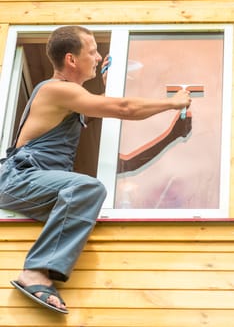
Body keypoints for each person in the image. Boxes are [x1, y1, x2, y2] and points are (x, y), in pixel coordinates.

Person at [0, 25, 191, 314]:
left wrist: (171, 137)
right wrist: (172, 103)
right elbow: (124, 108)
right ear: (71, 60)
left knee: (83, 193)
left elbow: (126, 158)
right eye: (93, 51)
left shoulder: (70, 104)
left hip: (29, 183)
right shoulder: (56, 90)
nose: (99, 57)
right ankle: (34, 273)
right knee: (87, 187)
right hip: (16, 178)